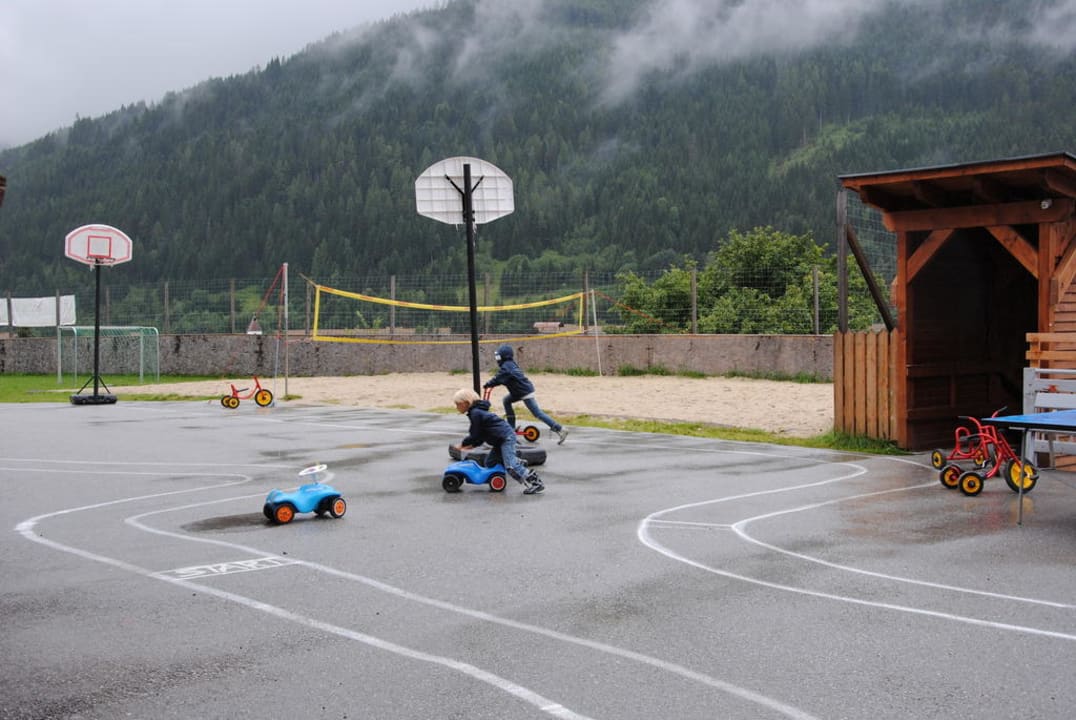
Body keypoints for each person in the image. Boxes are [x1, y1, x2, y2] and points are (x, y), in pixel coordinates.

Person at [452, 388, 545, 495]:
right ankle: (515, 462)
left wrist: (463, 444)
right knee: (490, 462)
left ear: (465, 403)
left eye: (457, 404)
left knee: (511, 466)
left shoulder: (476, 414)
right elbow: (481, 434)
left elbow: (475, 433)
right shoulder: (477, 413)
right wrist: (473, 445)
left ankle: (535, 482)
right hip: (499, 440)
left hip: (506, 438)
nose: (456, 407)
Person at [483, 344, 568, 444]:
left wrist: (489, 384)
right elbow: (501, 378)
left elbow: (498, 378)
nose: (497, 359)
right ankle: (511, 428)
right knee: (506, 400)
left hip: (524, 392)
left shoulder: (507, 367)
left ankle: (560, 429)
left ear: (504, 356)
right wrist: (492, 383)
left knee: (537, 413)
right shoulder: (509, 364)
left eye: (498, 357)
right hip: (519, 391)